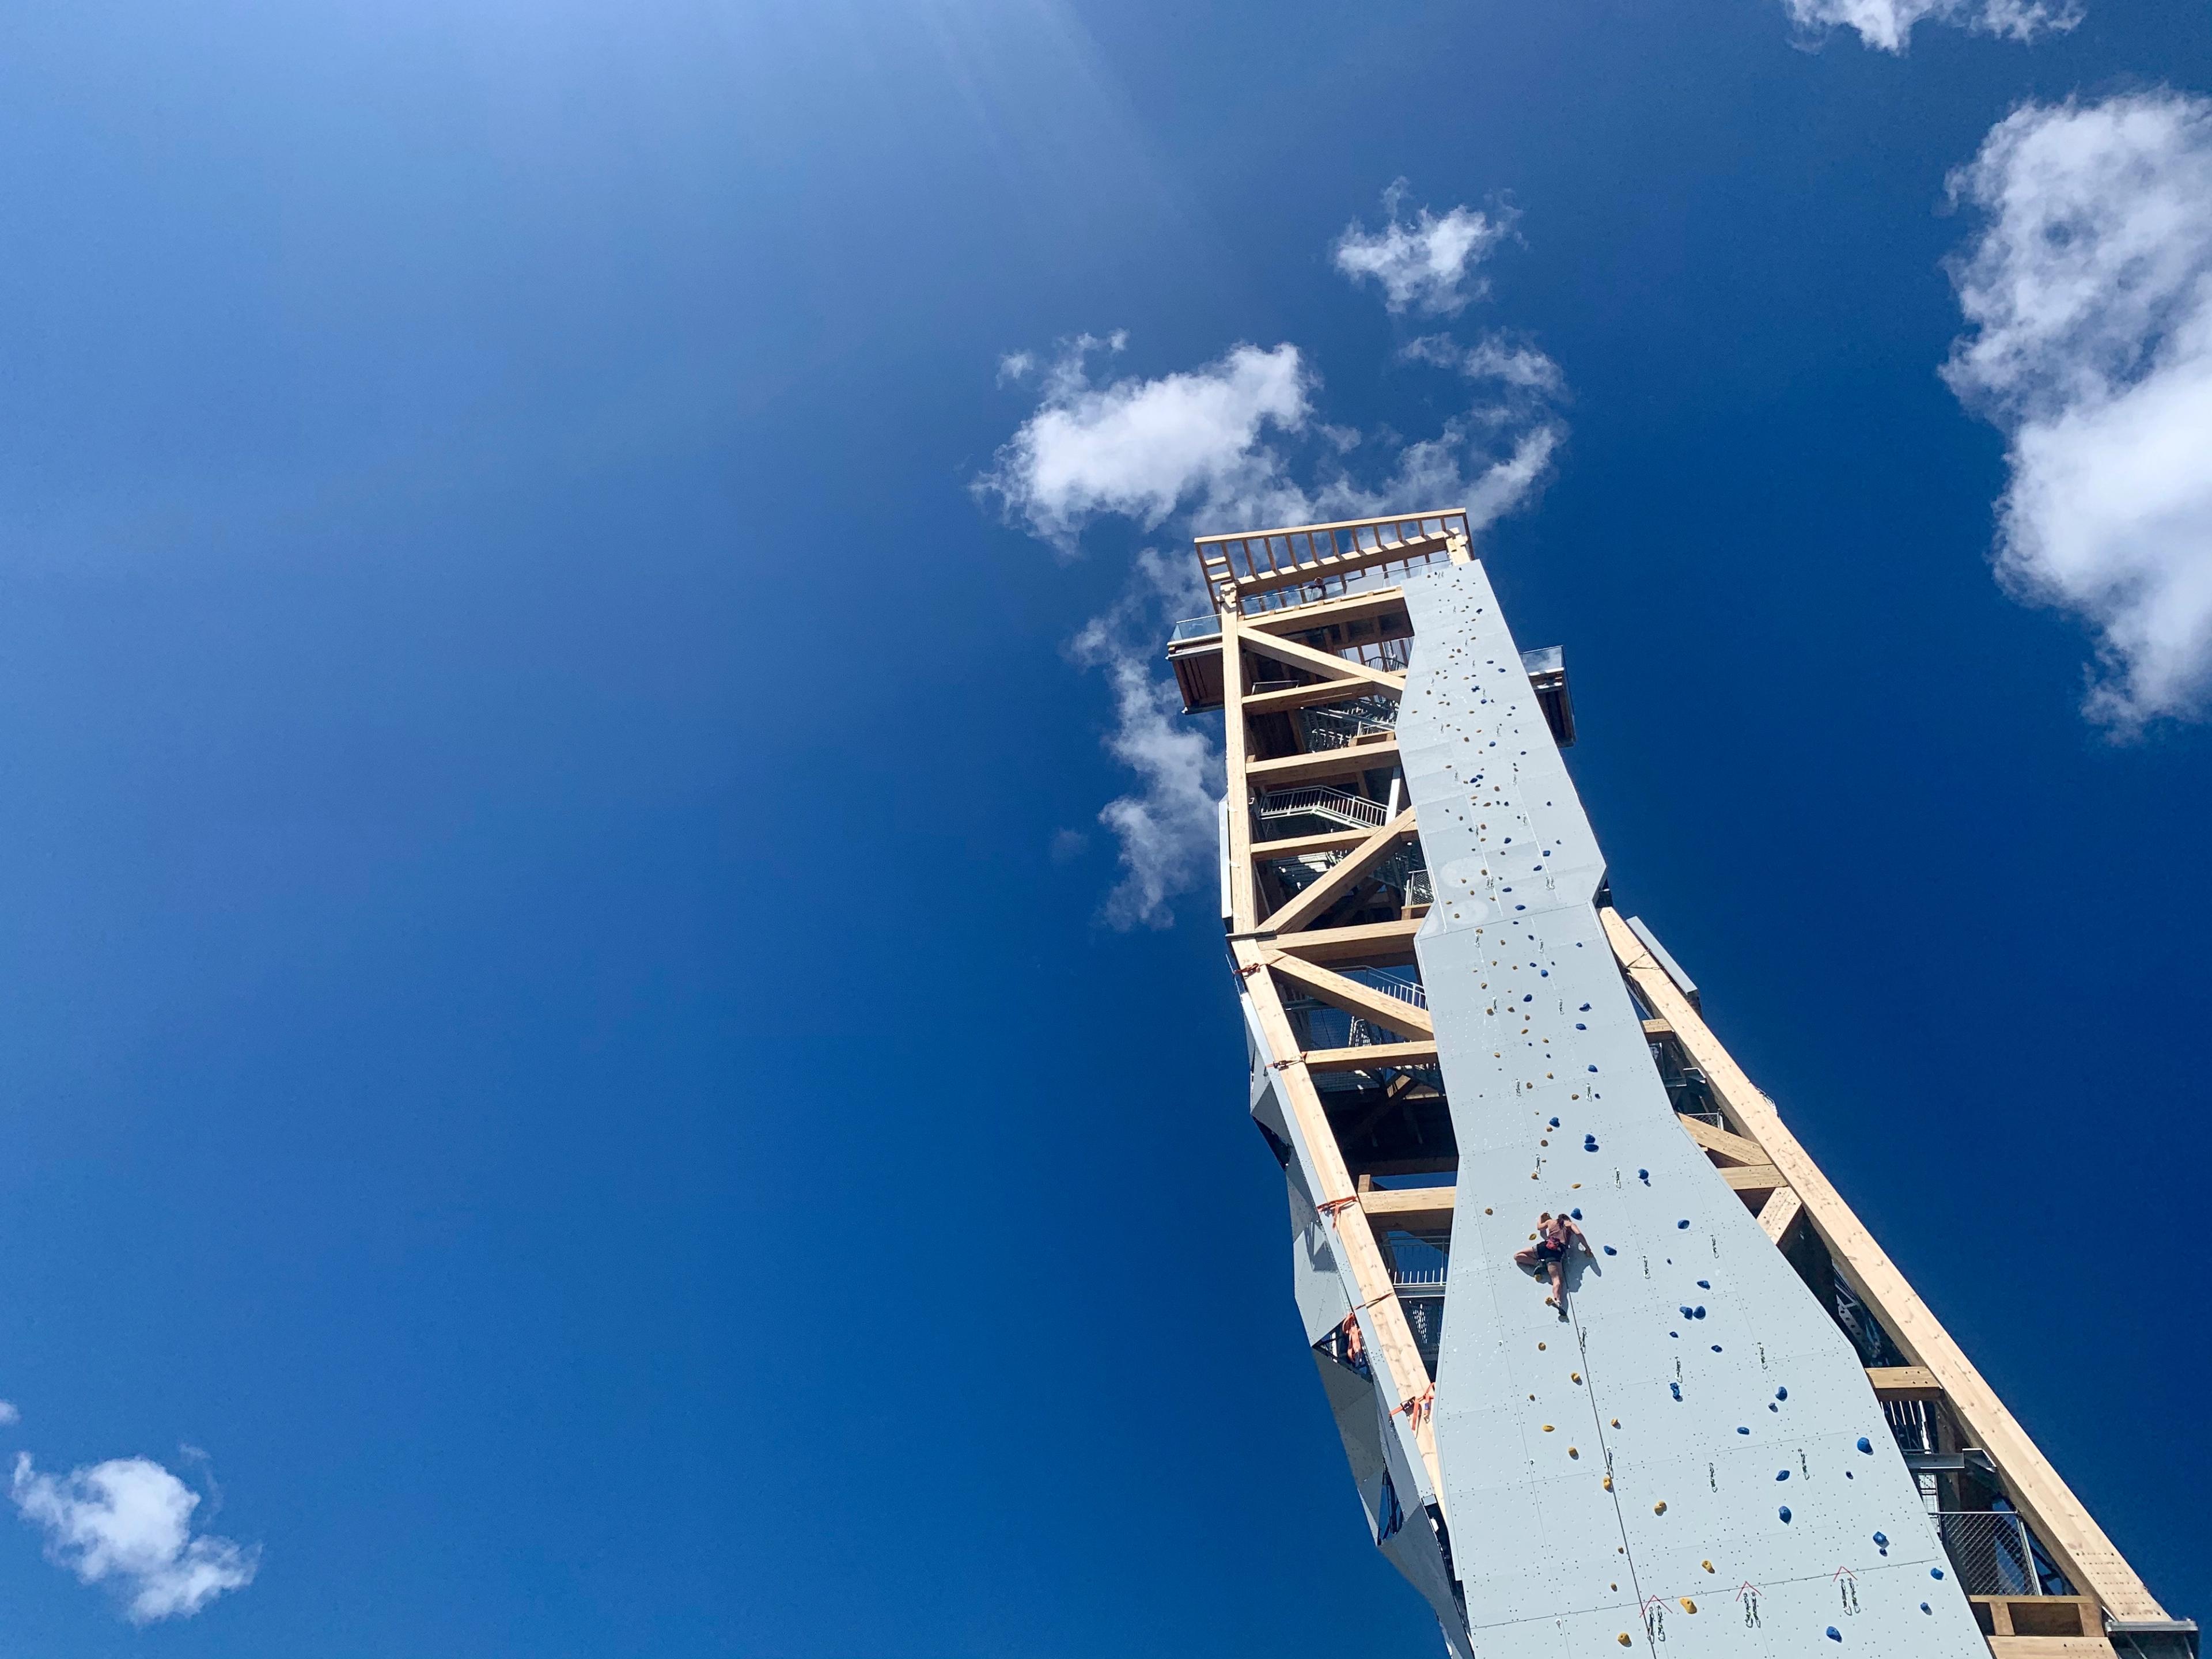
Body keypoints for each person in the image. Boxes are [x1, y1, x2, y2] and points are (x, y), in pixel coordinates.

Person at [1513, 1210, 1588, 1317]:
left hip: (1545, 1246)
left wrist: (1540, 1217)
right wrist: (1588, 1248)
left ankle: (1539, 1264)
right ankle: (1558, 1300)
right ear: (1567, 1219)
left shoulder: (1550, 1222)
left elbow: (1540, 1228)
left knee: (1518, 1256)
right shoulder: (1570, 1225)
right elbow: (1579, 1234)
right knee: (1557, 1280)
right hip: (1556, 1252)